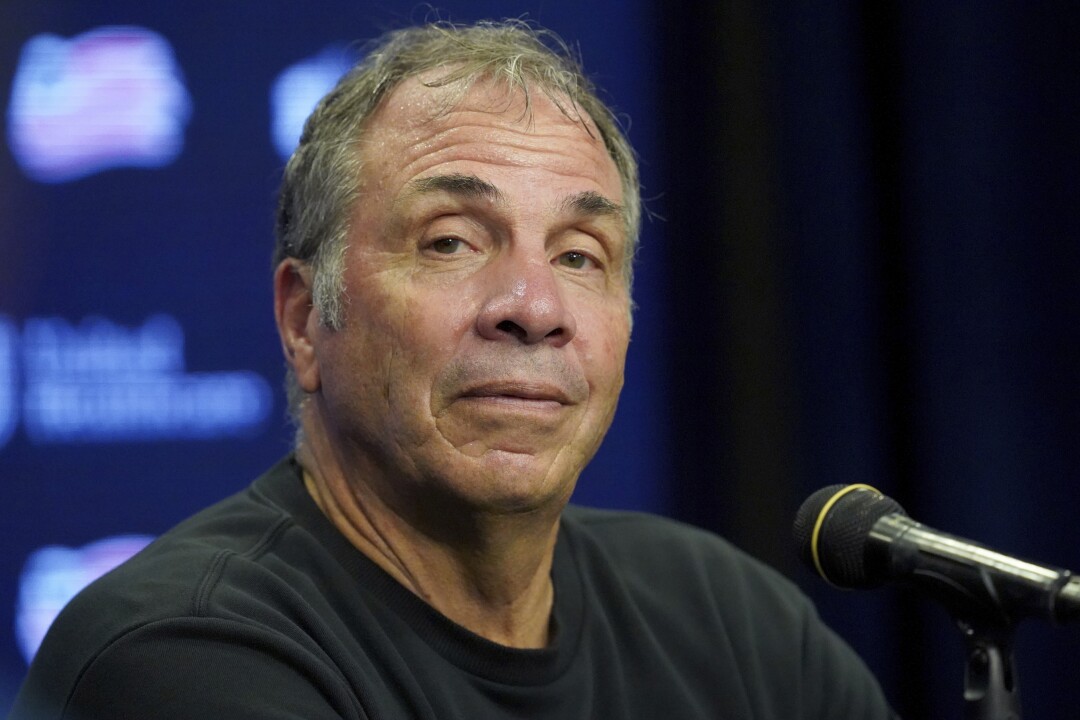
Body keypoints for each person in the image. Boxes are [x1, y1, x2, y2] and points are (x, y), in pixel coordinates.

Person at [10, 20, 896, 719]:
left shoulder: (731, 625)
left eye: (582, 256)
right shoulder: (177, 658)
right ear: (303, 321)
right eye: (450, 242)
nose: (534, 306)